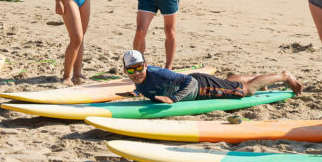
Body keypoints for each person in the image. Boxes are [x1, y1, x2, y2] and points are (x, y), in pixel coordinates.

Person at [120, 49, 303, 103]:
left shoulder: (160, 74)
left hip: (202, 87)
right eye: (130, 70)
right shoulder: (140, 78)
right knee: (228, 82)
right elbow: (146, 84)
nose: (136, 73)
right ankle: (248, 78)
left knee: (246, 90)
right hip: (201, 82)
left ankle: (283, 76)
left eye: (139, 68)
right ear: (125, 70)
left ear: (145, 65)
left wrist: (173, 99)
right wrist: (137, 92)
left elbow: (190, 82)